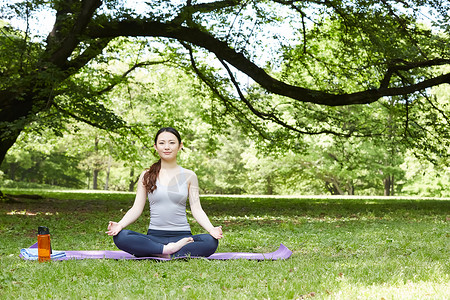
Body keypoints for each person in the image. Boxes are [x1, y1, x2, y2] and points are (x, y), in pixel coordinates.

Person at [106, 127, 223, 258]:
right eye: (162, 143)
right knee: (121, 236)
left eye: (172, 143)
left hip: (183, 239)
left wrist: (211, 229)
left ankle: (159, 252)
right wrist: (120, 225)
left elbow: (197, 209)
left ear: (180, 146)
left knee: (210, 241)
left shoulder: (190, 176)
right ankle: (168, 251)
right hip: (154, 237)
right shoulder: (147, 175)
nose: (167, 147)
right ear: (156, 147)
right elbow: (136, 208)